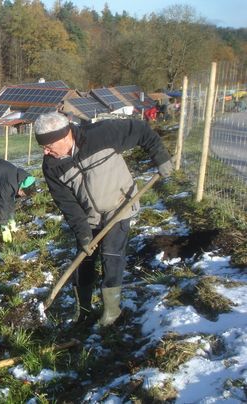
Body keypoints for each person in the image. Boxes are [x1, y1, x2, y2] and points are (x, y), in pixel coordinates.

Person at [34, 112, 172, 327]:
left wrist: (161, 157)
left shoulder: (101, 134)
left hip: (119, 206)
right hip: (89, 217)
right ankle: (84, 311)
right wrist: (83, 234)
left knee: (111, 255)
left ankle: (111, 312)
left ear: (64, 136)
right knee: (83, 259)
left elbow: (142, 131)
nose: (45, 151)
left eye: (48, 145)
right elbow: (68, 204)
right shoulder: (51, 165)